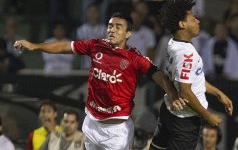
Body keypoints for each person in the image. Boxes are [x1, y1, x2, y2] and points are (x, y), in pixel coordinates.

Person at [14, 12, 186, 150]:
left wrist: (171, 93)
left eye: (118, 27)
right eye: (110, 26)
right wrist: (35, 46)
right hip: (91, 123)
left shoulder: (134, 58)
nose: (112, 29)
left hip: (117, 131)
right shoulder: (96, 45)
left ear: (128, 33)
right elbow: (65, 46)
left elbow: (156, 73)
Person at [149, 0, 233, 150]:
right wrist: (208, 116)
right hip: (184, 121)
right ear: (182, 24)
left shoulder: (173, 42)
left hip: (169, 109)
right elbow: (186, 91)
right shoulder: (186, 54)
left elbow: (193, 80)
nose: (198, 21)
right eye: (193, 18)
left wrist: (218, 93)